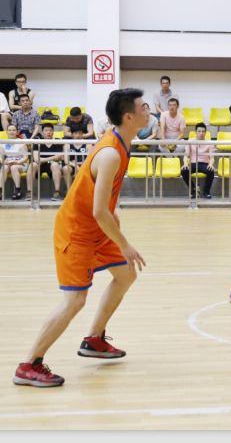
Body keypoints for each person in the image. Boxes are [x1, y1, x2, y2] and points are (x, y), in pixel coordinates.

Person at [13, 89, 147, 388]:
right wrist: (124, 243)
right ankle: (29, 365)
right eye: (144, 107)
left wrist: (112, 215)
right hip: (77, 231)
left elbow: (98, 197)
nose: (148, 112)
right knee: (75, 300)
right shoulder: (111, 152)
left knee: (126, 274)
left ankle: (94, 340)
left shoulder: (123, 140)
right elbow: (98, 210)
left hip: (98, 226)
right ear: (129, 117)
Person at [28, 123, 65, 202]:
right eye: (46, 131)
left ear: (53, 132)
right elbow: (36, 159)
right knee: (32, 165)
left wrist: (42, 159)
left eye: (50, 130)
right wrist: (51, 158)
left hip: (52, 165)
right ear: (42, 133)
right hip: (40, 165)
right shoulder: (37, 142)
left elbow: (58, 157)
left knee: (55, 165)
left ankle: (57, 192)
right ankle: (29, 192)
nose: (48, 132)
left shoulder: (58, 141)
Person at [181, 123, 215, 199]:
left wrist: (211, 164)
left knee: (211, 171)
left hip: (204, 163)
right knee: (184, 171)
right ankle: (193, 189)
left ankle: (206, 191)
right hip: (193, 163)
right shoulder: (190, 141)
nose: (201, 133)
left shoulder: (209, 142)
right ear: (195, 132)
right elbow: (186, 155)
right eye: (199, 131)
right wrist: (185, 163)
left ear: (205, 132)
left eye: (203, 131)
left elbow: (212, 157)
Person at [1, 124, 29, 200]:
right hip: (9, 162)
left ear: (17, 132)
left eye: (13, 130)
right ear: (6, 132)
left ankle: (18, 189)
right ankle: (0, 189)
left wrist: (17, 163)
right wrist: (4, 162)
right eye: (9, 130)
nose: (11, 132)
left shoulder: (21, 142)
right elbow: (0, 156)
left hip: (21, 163)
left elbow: (26, 157)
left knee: (14, 167)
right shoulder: (3, 142)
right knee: (4, 167)